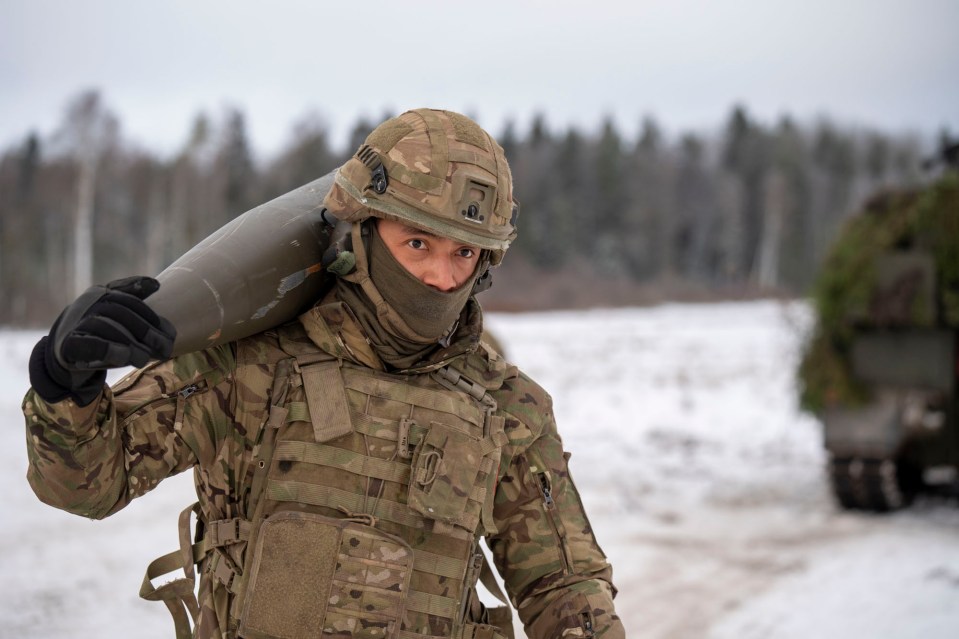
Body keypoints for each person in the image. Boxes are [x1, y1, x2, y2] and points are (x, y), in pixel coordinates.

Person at [24, 108, 624, 639]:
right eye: (418, 244)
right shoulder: (250, 364)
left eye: (464, 253)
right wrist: (65, 386)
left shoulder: (506, 407)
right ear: (360, 231)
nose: (442, 278)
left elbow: (565, 586)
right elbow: (87, 486)